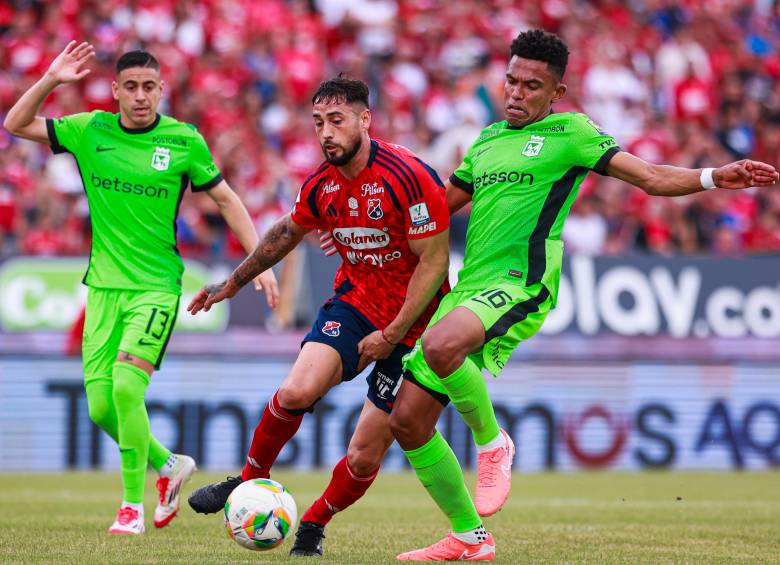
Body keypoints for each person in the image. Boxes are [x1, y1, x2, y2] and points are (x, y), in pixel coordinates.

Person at [388, 29, 779, 561]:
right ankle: (469, 538)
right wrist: (367, 222)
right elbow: (435, 208)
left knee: (439, 345)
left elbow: (652, 177)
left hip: (520, 283)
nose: (517, 93)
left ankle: (492, 443)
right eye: (511, 81)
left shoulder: (572, 133)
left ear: (557, 93)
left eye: (532, 85)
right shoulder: (484, 141)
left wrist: (714, 176)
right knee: (406, 422)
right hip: (472, 286)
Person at [3, 41, 279, 535]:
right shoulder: (91, 130)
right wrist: (50, 78)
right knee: (102, 407)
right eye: (130, 87)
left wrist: (259, 262)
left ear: (161, 90)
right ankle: (169, 465)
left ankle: (130, 507)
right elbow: (15, 125)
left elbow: (227, 199)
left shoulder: (183, 140)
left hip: (156, 286)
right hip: (104, 289)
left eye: (149, 87)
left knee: (128, 386)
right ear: (115, 91)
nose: (140, 96)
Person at [186, 76, 450, 557]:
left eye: (337, 120)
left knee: (363, 454)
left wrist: (391, 336)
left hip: (416, 325)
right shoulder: (321, 185)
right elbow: (285, 235)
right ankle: (248, 481)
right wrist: (232, 283)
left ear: (364, 120)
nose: (326, 132)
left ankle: (311, 524)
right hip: (354, 305)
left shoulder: (408, 175)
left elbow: (435, 262)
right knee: (295, 391)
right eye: (317, 123)